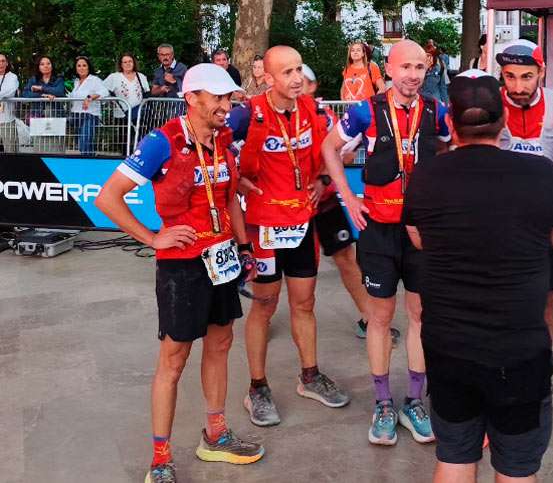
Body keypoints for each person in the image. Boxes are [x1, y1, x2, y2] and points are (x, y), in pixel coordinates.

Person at [403, 69, 553, 483]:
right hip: (519, 351)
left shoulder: (426, 176)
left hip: (448, 347)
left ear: (451, 123)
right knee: (516, 466)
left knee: (454, 455)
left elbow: (418, 238)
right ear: (503, 122)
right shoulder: (540, 173)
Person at [95, 63, 264, 483]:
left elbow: (226, 201)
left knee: (221, 342)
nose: (228, 105)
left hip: (222, 257)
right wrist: (152, 239)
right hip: (182, 266)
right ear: (193, 99)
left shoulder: (223, 138)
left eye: (229, 98)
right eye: (219, 98)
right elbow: (107, 197)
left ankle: (216, 435)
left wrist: (244, 248)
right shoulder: (162, 141)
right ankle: (160, 459)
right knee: (174, 357)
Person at [321, 39, 451, 446]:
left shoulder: (437, 112)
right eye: (405, 67)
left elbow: (448, 148)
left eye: (419, 67)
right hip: (378, 229)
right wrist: (347, 196)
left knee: (419, 316)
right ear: (389, 70)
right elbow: (329, 147)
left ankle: (414, 400)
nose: (413, 75)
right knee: (379, 318)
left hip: (421, 232)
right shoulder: (366, 111)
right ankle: (382, 403)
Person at [229, 46, 350, 429]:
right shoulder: (248, 112)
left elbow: (341, 149)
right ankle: (257, 387)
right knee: (264, 306)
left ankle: (310, 376)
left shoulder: (315, 110)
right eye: (287, 72)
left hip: (300, 223)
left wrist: (324, 179)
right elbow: (208, 144)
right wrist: (236, 179)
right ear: (268, 77)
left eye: (299, 70)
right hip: (262, 227)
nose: (297, 79)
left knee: (304, 303)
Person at [301, 64, 400, 344]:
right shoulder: (271, 115)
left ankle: (369, 318)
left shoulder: (327, 115)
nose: (297, 86)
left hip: (326, 200)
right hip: (289, 207)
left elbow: (343, 154)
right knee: (292, 276)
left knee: (346, 257)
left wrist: (323, 178)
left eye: (303, 82)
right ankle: (265, 312)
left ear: (313, 86)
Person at [495, 39, 553, 340]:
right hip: (501, 219)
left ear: (541, 71)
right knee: (501, 301)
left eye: (526, 76)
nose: (517, 86)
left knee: (545, 300)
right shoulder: (491, 101)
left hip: (545, 218)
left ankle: (542, 370)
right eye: (509, 76)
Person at [67, 56, 109, 156]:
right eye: (79, 66)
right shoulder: (76, 82)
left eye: (84, 65)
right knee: (83, 145)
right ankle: (90, 163)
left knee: (84, 142)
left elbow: (105, 92)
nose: (81, 68)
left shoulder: (94, 80)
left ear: (88, 67)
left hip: (90, 115)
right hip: (76, 115)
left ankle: (88, 163)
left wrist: (90, 97)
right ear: (76, 68)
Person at [104, 52, 150, 122]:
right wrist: (109, 100)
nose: (128, 64)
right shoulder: (114, 77)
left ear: (134, 63)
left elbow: (147, 94)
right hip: (122, 115)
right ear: (121, 64)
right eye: (125, 62)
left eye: (130, 61)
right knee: (123, 133)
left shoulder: (141, 76)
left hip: (139, 115)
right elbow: (101, 90)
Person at [0, 52, 20, 153]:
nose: (1, 63)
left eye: (3, 61)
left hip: (7, 120)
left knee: (11, 153)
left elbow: (10, 91)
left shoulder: (12, 77)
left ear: (7, 63)